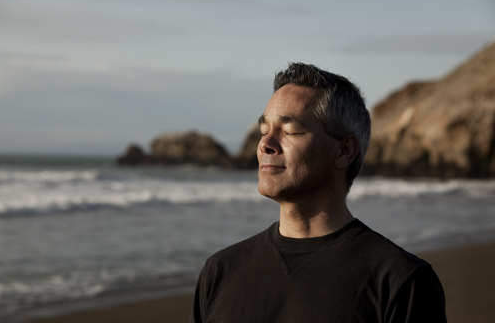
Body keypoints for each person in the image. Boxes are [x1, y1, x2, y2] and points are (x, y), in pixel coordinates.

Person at [189, 63, 447, 323]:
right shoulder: (220, 271)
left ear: (344, 151)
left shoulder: (400, 281)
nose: (265, 144)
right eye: (264, 130)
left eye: (290, 131)